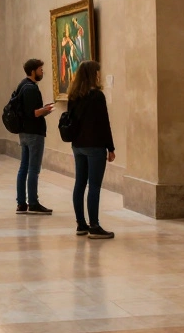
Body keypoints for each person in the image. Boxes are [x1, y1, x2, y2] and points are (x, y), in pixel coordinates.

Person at [66, 60, 115, 239]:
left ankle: (81, 224)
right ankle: (94, 226)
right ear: (92, 74)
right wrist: (111, 148)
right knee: (94, 186)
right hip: (95, 146)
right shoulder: (97, 96)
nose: (99, 75)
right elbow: (104, 124)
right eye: (97, 72)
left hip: (78, 145)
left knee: (80, 184)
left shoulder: (73, 96)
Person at [14, 58, 55, 214]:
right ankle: (33, 202)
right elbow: (33, 113)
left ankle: (21, 203)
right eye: (40, 69)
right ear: (33, 71)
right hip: (33, 133)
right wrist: (46, 110)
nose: (42, 72)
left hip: (24, 132)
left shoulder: (22, 85)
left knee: (23, 167)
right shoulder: (30, 88)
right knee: (33, 168)